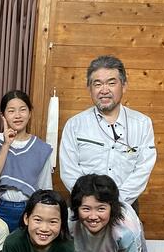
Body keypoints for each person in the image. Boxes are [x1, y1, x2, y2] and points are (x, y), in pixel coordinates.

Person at [59, 55, 156, 208]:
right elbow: (69, 170)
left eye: (111, 83)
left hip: (125, 205)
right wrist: (91, 202)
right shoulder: (74, 124)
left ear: (124, 86)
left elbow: (143, 168)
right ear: (89, 89)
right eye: (97, 84)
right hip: (83, 205)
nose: (104, 90)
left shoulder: (142, 123)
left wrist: (116, 202)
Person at [0, 90, 53, 232]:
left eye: (22, 110)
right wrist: (6, 145)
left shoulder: (41, 148)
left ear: (30, 113)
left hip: (29, 210)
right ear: (3, 116)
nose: (18, 115)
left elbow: (45, 188)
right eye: (11, 111)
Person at [69, 174, 150, 252]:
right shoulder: (69, 223)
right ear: (76, 209)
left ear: (112, 208)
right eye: (86, 209)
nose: (93, 216)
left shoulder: (126, 230)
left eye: (101, 209)